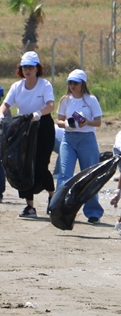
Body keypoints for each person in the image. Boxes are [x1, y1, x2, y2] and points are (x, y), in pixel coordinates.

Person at [0, 51, 56, 219]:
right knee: (23, 165)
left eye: (30, 67)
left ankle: (52, 196)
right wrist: (2, 114)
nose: (27, 71)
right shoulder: (17, 86)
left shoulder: (44, 85)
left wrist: (39, 113)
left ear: (37, 68)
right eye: (24, 67)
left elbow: (50, 105)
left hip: (42, 126)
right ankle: (29, 206)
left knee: (40, 164)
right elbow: (6, 104)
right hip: (23, 128)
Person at [55, 69, 104, 223]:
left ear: (83, 83)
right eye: (70, 82)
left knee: (90, 175)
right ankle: (59, 208)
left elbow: (98, 122)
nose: (72, 86)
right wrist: (67, 125)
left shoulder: (90, 99)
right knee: (64, 174)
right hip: (68, 138)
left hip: (87, 139)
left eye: (75, 83)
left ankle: (93, 211)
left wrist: (86, 122)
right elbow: (59, 120)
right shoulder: (65, 100)